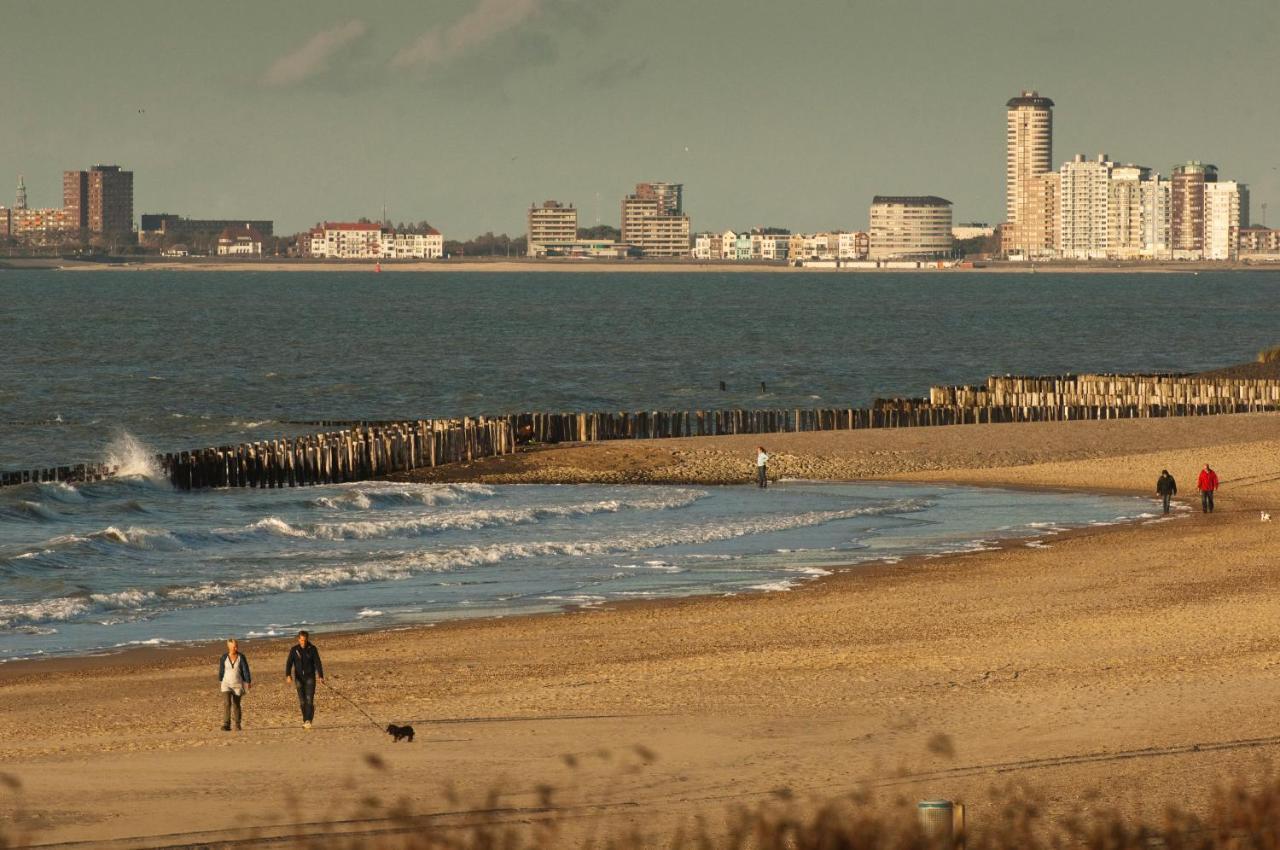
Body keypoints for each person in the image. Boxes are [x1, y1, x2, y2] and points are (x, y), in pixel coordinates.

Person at [285, 630, 324, 729]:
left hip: (310, 677)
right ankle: (306, 720)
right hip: (299, 678)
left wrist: (320, 676)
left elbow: (318, 662)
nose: (303, 642)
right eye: (301, 640)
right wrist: (288, 675)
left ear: (307, 639)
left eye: (305, 640)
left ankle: (308, 720)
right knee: (302, 701)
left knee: (309, 700)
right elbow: (289, 663)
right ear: (298, 639)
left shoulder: (312, 649)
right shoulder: (294, 650)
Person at [218, 638, 251, 732]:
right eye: (234, 647)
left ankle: (237, 724)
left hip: (238, 684)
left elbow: (245, 670)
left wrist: (248, 681)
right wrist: (220, 680)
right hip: (226, 684)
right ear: (229, 647)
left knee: (236, 705)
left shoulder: (241, 657)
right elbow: (221, 670)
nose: (236, 648)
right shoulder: (224, 657)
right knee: (227, 703)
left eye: (237, 646)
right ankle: (226, 724)